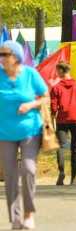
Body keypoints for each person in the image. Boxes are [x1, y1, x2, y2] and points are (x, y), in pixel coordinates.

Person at [0, 40, 48, 230]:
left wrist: (30, 105)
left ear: (16, 56)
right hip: (4, 133)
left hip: (30, 130)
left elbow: (46, 96)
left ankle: (29, 214)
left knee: (28, 169)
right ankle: (16, 218)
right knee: (10, 175)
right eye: (0, 55)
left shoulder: (30, 74)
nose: (1, 58)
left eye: (5, 55)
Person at [50, 62, 76, 186]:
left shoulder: (56, 88)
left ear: (61, 71)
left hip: (61, 120)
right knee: (75, 149)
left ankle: (61, 172)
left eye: (57, 70)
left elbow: (54, 108)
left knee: (60, 146)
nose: (56, 73)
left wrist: (52, 121)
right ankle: (74, 178)